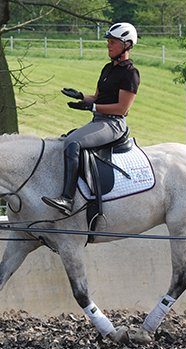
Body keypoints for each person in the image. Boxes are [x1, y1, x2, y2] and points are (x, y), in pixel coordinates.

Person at [41, 22, 141, 215]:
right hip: (98, 120)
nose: (108, 45)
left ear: (127, 45)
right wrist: (81, 97)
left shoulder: (130, 74)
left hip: (113, 124)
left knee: (72, 142)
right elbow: (97, 97)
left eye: (113, 42)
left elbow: (122, 108)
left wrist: (92, 106)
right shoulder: (107, 68)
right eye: (108, 41)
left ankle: (67, 200)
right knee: (63, 139)